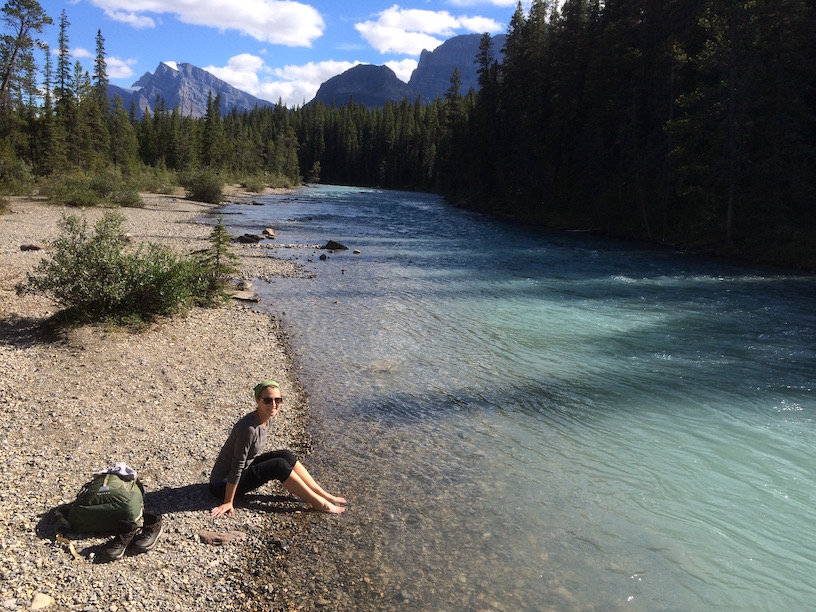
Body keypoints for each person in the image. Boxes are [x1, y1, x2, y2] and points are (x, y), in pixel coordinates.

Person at [210, 380, 346, 517]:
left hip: (241, 471)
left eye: (278, 400)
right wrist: (228, 501)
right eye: (268, 400)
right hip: (222, 485)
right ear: (258, 400)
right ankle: (318, 502)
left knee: (285, 455)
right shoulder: (248, 429)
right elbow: (237, 465)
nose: (273, 405)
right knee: (278, 466)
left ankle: (321, 493)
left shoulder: (265, 419)